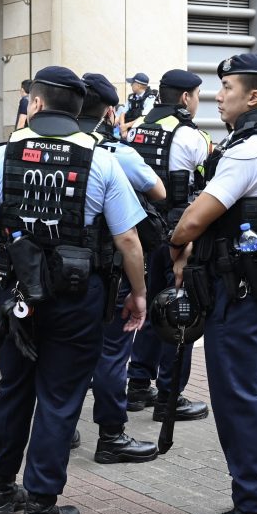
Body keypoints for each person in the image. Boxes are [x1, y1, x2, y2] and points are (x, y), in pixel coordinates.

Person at [0, 66, 148, 514]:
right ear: (80, 109)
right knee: (60, 400)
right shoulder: (102, 159)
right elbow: (128, 239)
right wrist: (139, 295)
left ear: (37, 104)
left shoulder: (2, 157)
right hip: (78, 297)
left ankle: (2, 491)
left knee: (14, 391)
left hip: (20, 296)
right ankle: (42, 507)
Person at [169, 53, 257, 514]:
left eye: (226, 86)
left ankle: (253, 513)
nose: (218, 94)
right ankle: (253, 502)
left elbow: (193, 219)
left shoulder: (248, 148)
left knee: (238, 398)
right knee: (248, 391)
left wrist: (176, 248)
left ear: (253, 96)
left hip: (239, 290)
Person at [75, 73, 162, 464]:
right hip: (107, 273)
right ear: (110, 110)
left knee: (62, 354)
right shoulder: (114, 154)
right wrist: (140, 291)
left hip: (49, 277)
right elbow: (157, 192)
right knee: (111, 354)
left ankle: (62, 428)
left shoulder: (34, 149)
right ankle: (111, 436)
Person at [122, 69, 212, 421]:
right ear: (187, 97)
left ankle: (138, 385)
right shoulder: (189, 136)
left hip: (141, 231)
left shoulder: (140, 127)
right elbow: (204, 185)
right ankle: (170, 398)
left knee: (146, 307)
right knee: (178, 312)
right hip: (177, 236)